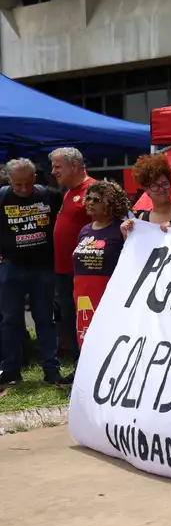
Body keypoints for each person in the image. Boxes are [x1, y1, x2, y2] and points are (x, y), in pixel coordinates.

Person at [0, 158, 63, 388]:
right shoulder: (2, 197)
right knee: (10, 320)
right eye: (18, 185)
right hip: (11, 266)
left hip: (43, 267)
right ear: (9, 181)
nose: (24, 189)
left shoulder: (49, 195)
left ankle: (52, 370)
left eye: (28, 183)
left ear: (34, 178)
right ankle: (10, 370)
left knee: (46, 319)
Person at [49, 146, 95, 367]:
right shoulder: (68, 192)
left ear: (74, 165)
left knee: (85, 319)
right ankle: (79, 364)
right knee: (70, 319)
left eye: (58, 166)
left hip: (84, 271)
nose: (53, 171)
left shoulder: (93, 191)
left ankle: (87, 366)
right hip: (64, 270)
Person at [73, 181, 129, 350]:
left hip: (107, 291)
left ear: (110, 203)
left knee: (107, 335)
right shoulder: (85, 230)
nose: (89, 202)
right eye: (88, 198)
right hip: (83, 292)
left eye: (96, 200)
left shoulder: (121, 229)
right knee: (84, 333)